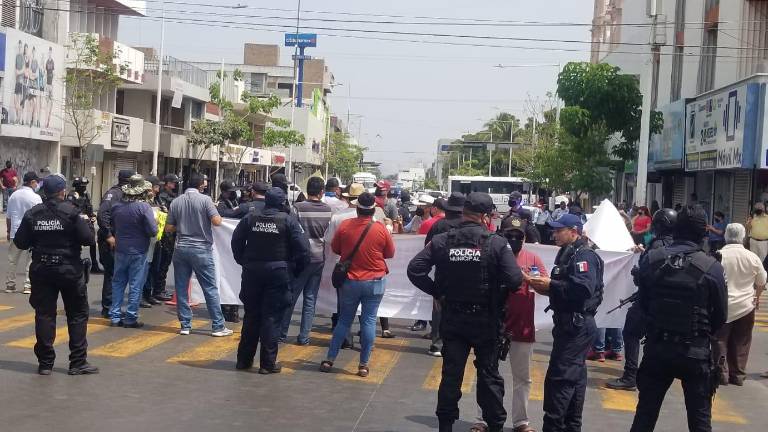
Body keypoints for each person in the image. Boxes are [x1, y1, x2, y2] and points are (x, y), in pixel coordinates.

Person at [407, 192, 523, 432]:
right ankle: (495, 425)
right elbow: (514, 281)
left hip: (453, 319)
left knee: (451, 375)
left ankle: (445, 426)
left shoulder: (443, 241)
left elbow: (415, 269)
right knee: (489, 376)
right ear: (485, 216)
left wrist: (437, 293)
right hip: (486, 320)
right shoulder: (497, 243)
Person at [628, 206, 727, 432]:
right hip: (694, 352)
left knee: (644, 416)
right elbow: (720, 317)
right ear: (703, 234)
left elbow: (642, 303)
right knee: (700, 421)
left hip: (657, 348)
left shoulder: (652, 259)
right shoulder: (712, 267)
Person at [13, 174, 99, 375]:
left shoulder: (33, 214)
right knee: (77, 314)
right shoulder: (72, 212)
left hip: (42, 270)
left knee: (44, 315)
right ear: (62, 192)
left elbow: (20, 243)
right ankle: (77, 362)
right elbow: (88, 239)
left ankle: (45, 363)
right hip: (69, 270)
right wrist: (86, 223)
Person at [528, 214, 604, 432]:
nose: (554, 234)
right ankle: (571, 426)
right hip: (568, 323)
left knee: (560, 379)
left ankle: (554, 427)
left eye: (559, 230)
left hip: (577, 325)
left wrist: (551, 284)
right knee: (574, 378)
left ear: (574, 231)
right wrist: (540, 284)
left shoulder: (584, 256)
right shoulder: (568, 253)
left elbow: (582, 289)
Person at [473, 216, 547, 432]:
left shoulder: (532, 259)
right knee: (487, 374)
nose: (514, 239)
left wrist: (524, 277)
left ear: (524, 238)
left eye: (519, 236)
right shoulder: (490, 256)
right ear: (500, 235)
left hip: (522, 326)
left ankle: (521, 422)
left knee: (522, 378)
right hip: (493, 325)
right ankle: (482, 419)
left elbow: (546, 286)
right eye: (509, 235)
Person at [231, 187, 310, 373]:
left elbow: (236, 241)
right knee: (272, 318)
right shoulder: (289, 222)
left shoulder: (250, 218)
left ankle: (243, 361)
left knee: (251, 316)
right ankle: (267, 364)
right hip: (278, 273)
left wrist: (244, 261)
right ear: (283, 203)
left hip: (253, 272)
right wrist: (295, 271)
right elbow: (304, 251)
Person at [320, 192, 395, 378]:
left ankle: (330, 359)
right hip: (375, 281)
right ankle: (363, 365)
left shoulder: (345, 226)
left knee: (344, 320)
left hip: (351, 280)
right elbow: (390, 253)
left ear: (357, 208)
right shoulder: (380, 229)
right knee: (369, 321)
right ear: (373, 210)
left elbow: (336, 249)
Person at [607, 208, 677, 391]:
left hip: (649, 300)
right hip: (671, 302)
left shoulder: (657, 245)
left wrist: (637, 272)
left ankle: (630, 375)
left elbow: (645, 275)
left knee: (631, 333)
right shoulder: (678, 245)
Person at [165, 173, 233, 337]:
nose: (205, 185)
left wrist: (182, 224)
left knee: (181, 288)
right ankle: (218, 326)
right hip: (201, 249)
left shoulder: (176, 201)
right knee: (210, 288)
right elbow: (216, 222)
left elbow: (168, 228)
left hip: (181, 248)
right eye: (204, 183)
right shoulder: (205, 200)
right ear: (200, 185)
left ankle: (185, 325)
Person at [712, 223, 766, 386]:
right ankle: (738, 375)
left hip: (722, 305)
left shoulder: (718, 255)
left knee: (720, 339)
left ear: (726, 236)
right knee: (741, 340)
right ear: (742, 237)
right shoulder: (752, 257)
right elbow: (762, 281)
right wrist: (756, 298)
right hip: (746, 305)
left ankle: (722, 373)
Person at [280, 177, 332, 345]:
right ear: (322, 192)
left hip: (300, 260)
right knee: (310, 299)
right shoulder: (328, 210)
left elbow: (291, 233)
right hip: (319, 259)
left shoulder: (297, 208)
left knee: (291, 297)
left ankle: (282, 334)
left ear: (307, 190)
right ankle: (304, 337)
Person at [419, 192, 467, 354]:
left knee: (439, 308)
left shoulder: (439, 226)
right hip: (466, 272)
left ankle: (437, 343)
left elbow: (428, 247)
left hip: (443, 273)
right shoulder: (469, 225)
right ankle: (459, 343)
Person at [109, 175, 158, 328]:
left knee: (118, 283)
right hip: (138, 250)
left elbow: (114, 225)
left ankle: (115, 316)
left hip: (121, 249)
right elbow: (153, 231)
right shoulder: (144, 208)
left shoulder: (117, 206)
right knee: (136, 285)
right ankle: (130, 318)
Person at [96, 169, 135, 317]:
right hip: (111, 240)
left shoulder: (126, 194)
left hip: (121, 239)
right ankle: (108, 308)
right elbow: (102, 214)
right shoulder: (114, 194)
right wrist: (108, 235)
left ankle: (114, 308)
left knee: (118, 275)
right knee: (112, 274)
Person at [5, 172, 41, 294]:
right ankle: (27, 285)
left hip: (15, 232)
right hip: (31, 233)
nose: (37, 184)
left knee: (12, 260)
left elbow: (8, 217)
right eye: (36, 182)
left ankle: (10, 285)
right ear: (32, 182)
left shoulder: (14, 195)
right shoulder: (36, 198)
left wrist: (9, 231)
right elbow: (39, 216)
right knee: (30, 261)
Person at [151, 174, 179, 303]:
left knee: (165, 263)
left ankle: (159, 289)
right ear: (167, 183)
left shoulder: (172, 196)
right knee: (161, 263)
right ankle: (157, 290)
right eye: (173, 183)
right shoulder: (162, 197)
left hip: (169, 233)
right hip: (163, 235)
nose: (175, 185)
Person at [67, 176, 101, 273]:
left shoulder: (86, 195)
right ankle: (73, 263)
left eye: (85, 186)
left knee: (92, 242)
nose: (84, 188)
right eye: (82, 186)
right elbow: (69, 209)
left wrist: (92, 216)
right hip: (76, 221)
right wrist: (81, 215)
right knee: (75, 243)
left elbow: (89, 208)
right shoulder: (72, 195)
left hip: (87, 222)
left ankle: (94, 264)